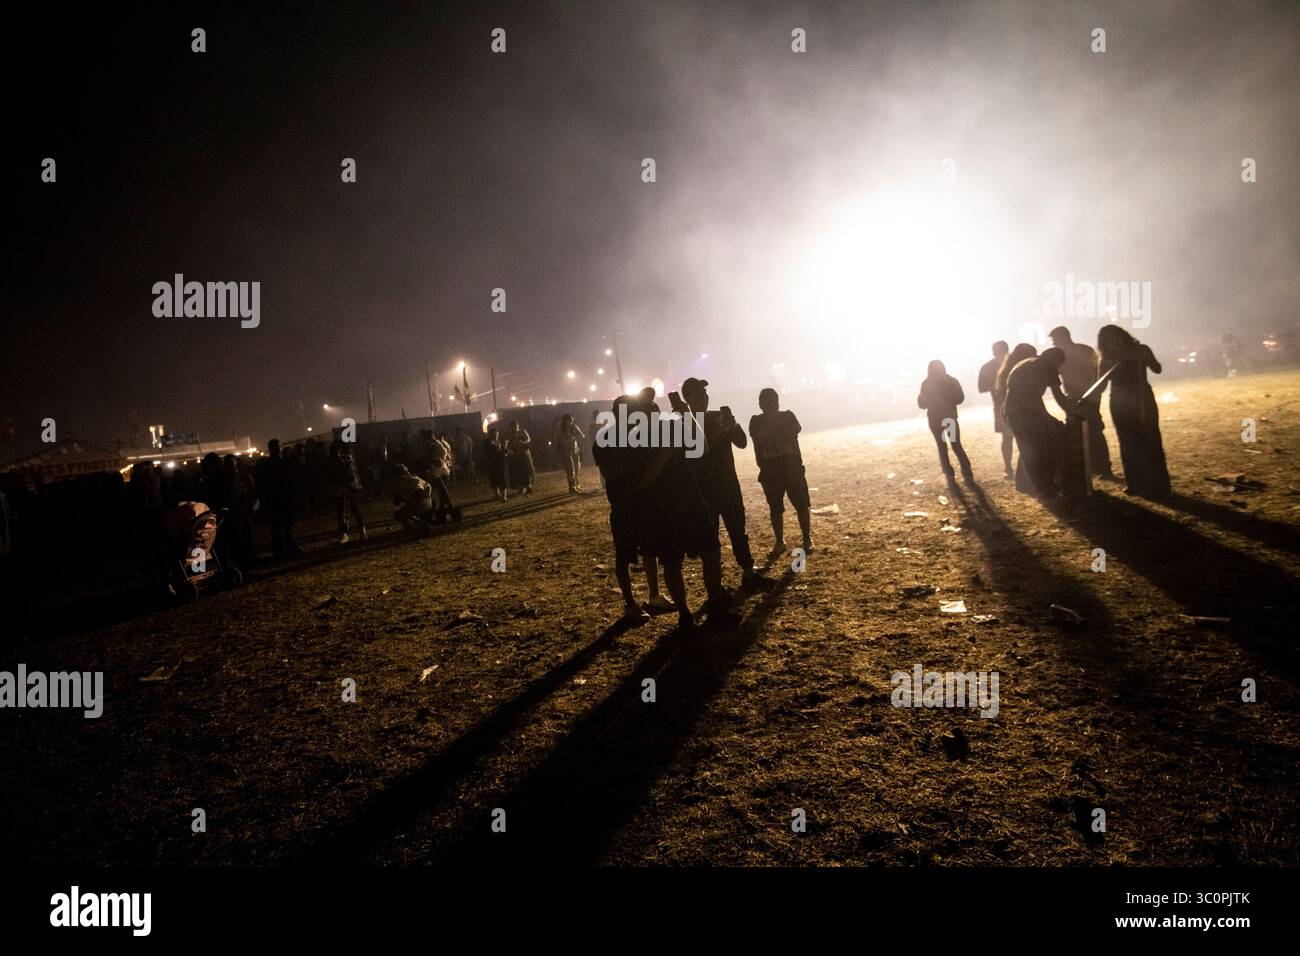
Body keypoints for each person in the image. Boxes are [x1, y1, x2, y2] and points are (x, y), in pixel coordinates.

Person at [637, 391, 739, 630]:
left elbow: (701, 447)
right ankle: (684, 615)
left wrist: (687, 415)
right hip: (664, 507)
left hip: (691, 498)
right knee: (673, 562)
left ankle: (715, 606)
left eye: (653, 405)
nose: (653, 408)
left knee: (711, 551)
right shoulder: (636, 441)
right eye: (646, 406)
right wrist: (665, 454)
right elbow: (640, 481)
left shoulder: (670, 429)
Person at [590, 396, 676, 624]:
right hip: (624, 505)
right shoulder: (605, 439)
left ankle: (654, 596)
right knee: (624, 556)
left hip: (644, 502)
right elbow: (610, 471)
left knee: (650, 549)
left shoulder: (639, 435)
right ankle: (630, 604)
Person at [680, 377, 756, 581]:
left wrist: (732, 427)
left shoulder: (719, 416)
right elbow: (693, 454)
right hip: (704, 490)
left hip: (728, 485)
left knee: (738, 530)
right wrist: (716, 435)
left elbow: (741, 443)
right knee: (709, 539)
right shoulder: (684, 424)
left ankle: (748, 570)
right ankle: (716, 586)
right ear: (687, 399)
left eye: (705, 394)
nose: (704, 398)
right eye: (698, 395)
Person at [1096, 325, 1171, 497]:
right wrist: (1106, 372)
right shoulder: (1106, 359)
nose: (1112, 343)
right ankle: (1135, 483)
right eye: (1108, 340)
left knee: (1151, 439)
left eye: (1114, 338)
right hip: (1120, 402)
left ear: (1122, 336)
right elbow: (1100, 388)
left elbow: (1157, 369)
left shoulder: (1140, 350)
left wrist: (1146, 357)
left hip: (1143, 398)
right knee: (1128, 442)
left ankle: (1159, 484)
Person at [748, 388, 812, 559]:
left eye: (772, 401)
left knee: (800, 503)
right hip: (773, 471)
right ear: (761, 405)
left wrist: (772, 426)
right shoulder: (758, 421)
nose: (771, 405)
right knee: (778, 507)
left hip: (788, 468)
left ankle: (804, 538)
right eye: (768, 402)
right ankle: (783, 540)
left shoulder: (786, 417)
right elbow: (759, 436)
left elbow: (794, 429)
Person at [1003, 348, 1073, 499]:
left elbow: (1022, 394)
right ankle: (1045, 489)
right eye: (1059, 365)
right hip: (1027, 413)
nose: (1059, 370)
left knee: (1028, 449)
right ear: (1056, 360)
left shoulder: (1025, 363)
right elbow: (1057, 394)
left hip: (1011, 411)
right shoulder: (1048, 366)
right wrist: (1070, 412)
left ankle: (1027, 484)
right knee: (1042, 449)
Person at [1050, 326, 1114, 478]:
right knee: (1095, 431)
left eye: (1054, 340)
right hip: (1089, 396)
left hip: (1076, 397)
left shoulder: (1061, 355)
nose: (1053, 344)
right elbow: (1097, 372)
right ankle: (1101, 466)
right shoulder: (1085, 350)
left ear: (1062, 338)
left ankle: (1097, 467)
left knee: (1082, 432)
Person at [917, 360, 974, 481]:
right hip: (949, 417)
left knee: (941, 446)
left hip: (934, 419)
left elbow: (922, 404)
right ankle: (966, 470)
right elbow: (960, 398)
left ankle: (948, 472)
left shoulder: (926, 384)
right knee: (956, 445)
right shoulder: (951, 381)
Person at [993, 343, 1038, 487]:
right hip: (1017, 411)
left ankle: (1021, 477)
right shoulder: (1021, 370)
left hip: (1008, 410)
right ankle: (1023, 478)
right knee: (1024, 442)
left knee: (1020, 441)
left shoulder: (1007, 369)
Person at [256, 439, 299, 557]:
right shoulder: (282, 463)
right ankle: (284, 547)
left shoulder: (267, 464)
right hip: (279, 499)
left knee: (280, 526)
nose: (278, 449)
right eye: (277, 447)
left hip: (277, 499)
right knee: (283, 525)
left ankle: (281, 548)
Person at [978, 341, 1013, 477]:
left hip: (1000, 406)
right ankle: (1015, 468)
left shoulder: (988, 367)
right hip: (1010, 405)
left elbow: (981, 387)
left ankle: (1008, 468)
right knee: (1018, 436)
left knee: (1007, 438)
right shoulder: (1014, 363)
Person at [328, 439, 367, 543]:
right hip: (345, 487)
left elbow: (348, 473)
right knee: (346, 510)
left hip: (347, 487)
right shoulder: (344, 458)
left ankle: (352, 532)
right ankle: (351, 532)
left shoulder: (344, 458)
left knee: (350, 508)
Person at [389, 464, 436, 534]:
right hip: (427, 502)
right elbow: (428, 486)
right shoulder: (414, 477)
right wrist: (426, 497)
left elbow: (398, 499)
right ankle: (421, 524)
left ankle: (417, 529)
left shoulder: (399, 481)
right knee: (408, 511)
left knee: (398, 514)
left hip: (419, 504)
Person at [553, 414, 586, 493]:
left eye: (571, 420)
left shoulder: (574, 427)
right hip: (566, 452)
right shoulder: (560, 429)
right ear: (565, 421)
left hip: (574, 450)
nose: (570, 422)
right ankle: (572, 486)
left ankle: (577, 485)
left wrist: (574, 436)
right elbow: (556, 440)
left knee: (577, 468)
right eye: (569, 420)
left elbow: (582, 436)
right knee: (570, 469)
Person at [507, 420, 535, 495]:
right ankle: (522, 486)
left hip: (525, 453)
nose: (514, 428)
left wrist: (523, 442)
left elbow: (528, 439)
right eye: (512, 427)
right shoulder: (511, 435)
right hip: (517, 454)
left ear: (518, 426)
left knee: (528, 469)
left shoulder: (522, 431)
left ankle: (529, 486)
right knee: (520, 471)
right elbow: (509, 444)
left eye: (515, 426)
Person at [483, 426, 510, 500]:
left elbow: (505, 452)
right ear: (490, 435)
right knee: (494, 479)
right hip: (492, 463)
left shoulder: (501, 441)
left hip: (501, 462)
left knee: (503, 478)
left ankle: (504, 496)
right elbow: (486, 453)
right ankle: (497, 494)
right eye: (494, 434)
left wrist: (505, 448)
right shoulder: (487, 443)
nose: (495, 435)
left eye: (496, 434)